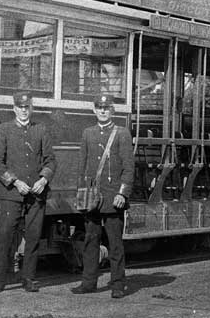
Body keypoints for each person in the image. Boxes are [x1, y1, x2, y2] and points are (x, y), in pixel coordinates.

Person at [0, 91, 56, 293]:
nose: (24, 111)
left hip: (36, 194)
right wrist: (16, 182)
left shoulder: (41, 130)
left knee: (34, 237)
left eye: (27, 107)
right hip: (12, 194)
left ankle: (29, 279)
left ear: (32, 108)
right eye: (20, 107)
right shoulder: (3, 130)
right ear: (14, 108)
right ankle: (0, 280)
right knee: (5, 235)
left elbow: (51, 160)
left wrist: (43, 180)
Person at [71, 94, 135, 299]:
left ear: (112, 111)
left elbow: (128, 167)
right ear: (94, 110)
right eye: (99, 108)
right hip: (92, 199)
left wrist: (122, 193)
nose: (103, 111)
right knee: (91, 241)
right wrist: (81, 193)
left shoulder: (121, 133)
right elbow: (81, 166)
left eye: (106, 108)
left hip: (112, 197)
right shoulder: (88, 133)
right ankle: (89, 283)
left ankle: (118, 284)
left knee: (115, 244)